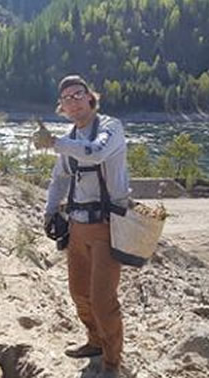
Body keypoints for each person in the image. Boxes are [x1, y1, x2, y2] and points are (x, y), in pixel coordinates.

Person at [33, 74, 130, 377]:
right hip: (77, 227)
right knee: (80, 294)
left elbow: (97, 152)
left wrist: (55, 143)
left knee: (103, 300)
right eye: (66, 98)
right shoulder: (69, 138)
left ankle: (112, 361)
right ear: (61, 107)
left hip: (107, 226)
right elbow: (60, 178)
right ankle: (95, 341)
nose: (73, 102)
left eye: (77, 95)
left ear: (91, 98)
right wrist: (50, 212)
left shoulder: (111, 128)